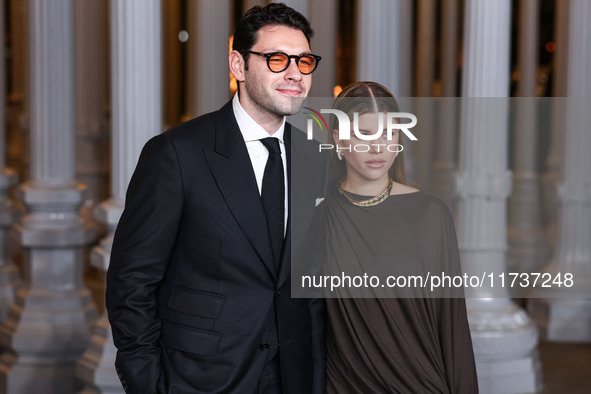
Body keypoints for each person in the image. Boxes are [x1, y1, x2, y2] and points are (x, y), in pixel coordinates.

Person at [106, 3, 326, 393]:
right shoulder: (176, 153)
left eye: (304, 61)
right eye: (277, 59)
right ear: (238, 65)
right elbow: (131, 281)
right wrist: (149, 384)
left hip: (293, 378)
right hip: (199, 379)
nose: (295, 74)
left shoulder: (315, 159)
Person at [323, 82, 479, 393]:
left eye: (389, 134)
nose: (378, 147)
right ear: (339, 139)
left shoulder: (430, 214)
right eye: (364, 134)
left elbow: (451, 324)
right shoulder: (314, 214)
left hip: (419, 383)